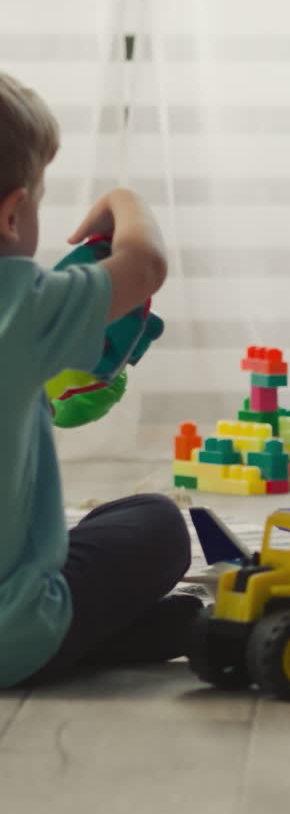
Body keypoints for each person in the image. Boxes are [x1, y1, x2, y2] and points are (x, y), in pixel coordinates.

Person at [0, 71, 202, 688]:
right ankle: (85, 636)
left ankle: (104, 634)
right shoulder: (22, 305)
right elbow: (145, 266)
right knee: (155, 522)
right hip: (12, 630)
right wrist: (124, 202)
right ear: (12, 214)